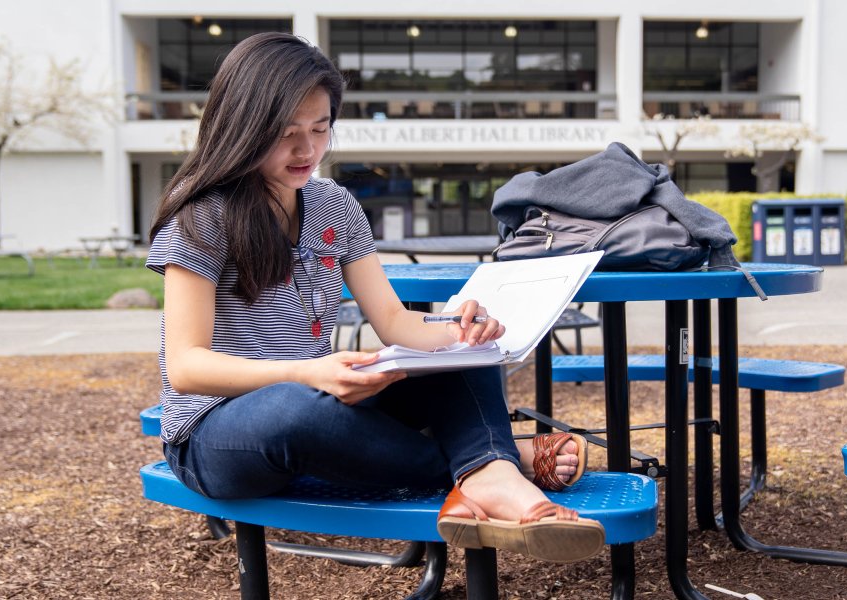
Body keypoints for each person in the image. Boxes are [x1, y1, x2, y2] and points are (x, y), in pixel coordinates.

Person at [145, 32, 603, 564]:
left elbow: (393, 322)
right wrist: (308, 374)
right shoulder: (203, 215)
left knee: (455, 354)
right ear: (243, 128)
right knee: (300, 411)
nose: (307, 151)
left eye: (320, 129)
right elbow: (186, 367)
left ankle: (489, 474)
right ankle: (499, 463)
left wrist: (458, 327)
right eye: (287, 134)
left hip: (317, 397)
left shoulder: (332, 205)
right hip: (215, 433)